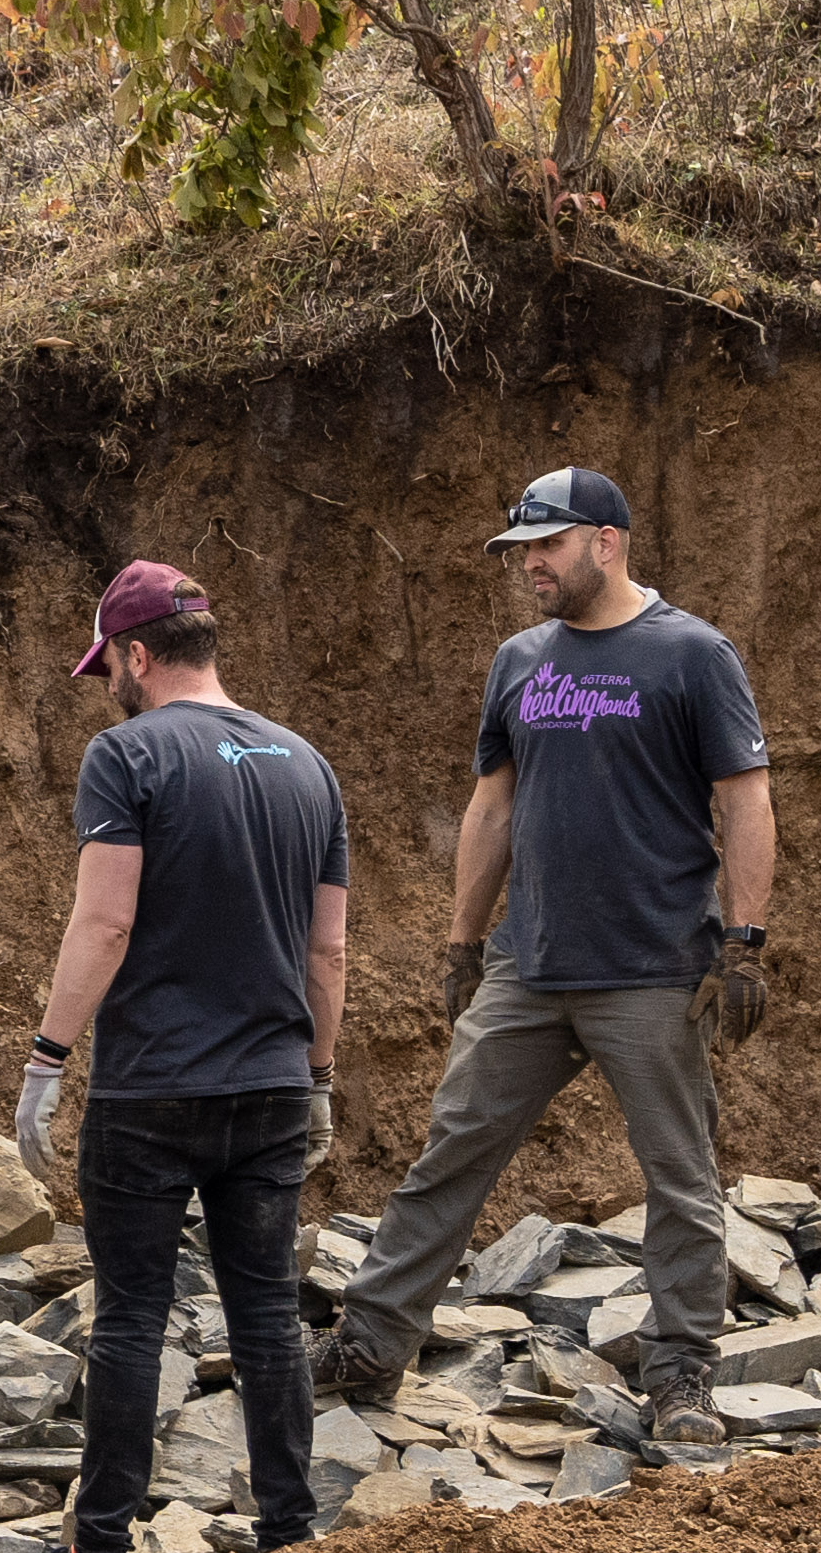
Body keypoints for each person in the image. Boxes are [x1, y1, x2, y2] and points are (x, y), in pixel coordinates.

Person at [320, 469, 772, 1448]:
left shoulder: (693, 654)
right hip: (529, 962)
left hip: (653, 964)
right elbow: (494, 806)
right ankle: (368, 1347)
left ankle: (683, 1377)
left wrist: (744, 941)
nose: (529, 563)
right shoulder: (519, 660)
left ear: (606, 540)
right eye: (520, 548)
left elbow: (745, 798)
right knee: (449, 1153)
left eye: (547, 545)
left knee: (679, 1177)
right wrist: (461, 941)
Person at [11, 563, 350, 1553]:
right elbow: (328, 951)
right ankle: (291, 1536)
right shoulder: (308, 765)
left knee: (129, 1319)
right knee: (263, 1316)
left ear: (139, 654)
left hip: (152, 1088)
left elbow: (105, 922)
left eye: (109, 661)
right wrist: (322, 1075)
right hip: (270, 1085)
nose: (108, 680)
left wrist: (47, 1060)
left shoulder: (126, 755)